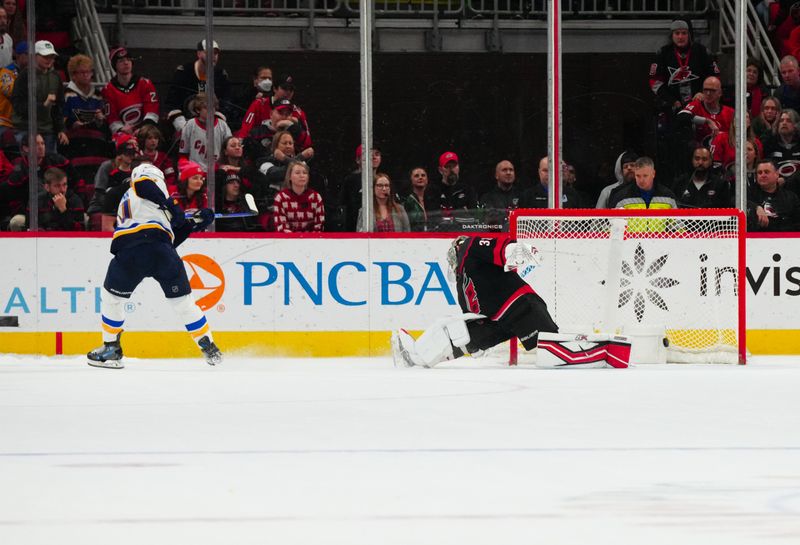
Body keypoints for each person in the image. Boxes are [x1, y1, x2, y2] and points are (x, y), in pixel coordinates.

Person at [391, 235, 630, 369]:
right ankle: (417, 356)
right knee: (460, 333)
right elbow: (470, 313)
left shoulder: (470, 246)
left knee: (553, 353)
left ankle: (604, 350)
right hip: (499, 320)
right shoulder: (465, 274)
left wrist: (517, 251)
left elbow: (499, 246)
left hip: (520, 307)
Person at [86, 163, 221, 369]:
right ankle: (209, 348)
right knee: (184, 303)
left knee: (112, 299)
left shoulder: (146, 196)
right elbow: (164, 238)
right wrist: (177, 210)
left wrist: (194, 223)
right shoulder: (148, 190)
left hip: (132, 251)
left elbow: (169, 236)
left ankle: (111, 348)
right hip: (161, 253)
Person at [62, 53, 110, 208]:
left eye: (88, 72)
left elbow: (104, 123)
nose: (86, 75)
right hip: (75, 144)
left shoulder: (97, 95)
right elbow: (62, 117)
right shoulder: (66, 94)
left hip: (95, 143)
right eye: (82, 72)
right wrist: (72, 123)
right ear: (73, 75)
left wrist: (100, 119)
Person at [3, 133, 69, 231]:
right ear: (26, 148)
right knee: (17, 221)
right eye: (36, 144)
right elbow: (14, 203)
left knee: (84, 218)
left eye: (42, 143)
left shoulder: (57, 160)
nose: (41, 147)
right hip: (31, 214)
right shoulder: (19, 173)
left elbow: (76, 183)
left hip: (61, 208)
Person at [165, 39, 231, 133]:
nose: (213, 56)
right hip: (184, 123)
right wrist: (183, 126)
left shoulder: (221, 75)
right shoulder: (183, 72)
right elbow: (172, 101)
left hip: (211, 125)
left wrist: (216, 121)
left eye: (215, 53)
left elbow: (226, 102)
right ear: (199, 53)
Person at [11, 40, 67, 153]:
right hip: (25, 129)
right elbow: (18, 105)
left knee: (49, 165)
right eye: (45, 56)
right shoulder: (24, 76)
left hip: (48, 130)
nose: (49, 59)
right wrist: (43, 106)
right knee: (27, 164)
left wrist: (60, 129)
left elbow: (58, 107)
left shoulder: (56, 77)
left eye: (51, 56)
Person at [102, 47, 160, 137]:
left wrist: (143, 128)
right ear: (114, 65)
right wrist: (122, 129)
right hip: (123, 132)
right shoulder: (108, 89)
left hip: (146, 130)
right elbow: (111, 117)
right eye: (121, 61)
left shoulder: (145, 84)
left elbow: (152, 110)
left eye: (128, 59)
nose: (126, 63)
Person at [88, 134, 138, 231]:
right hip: (102, 206)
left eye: (133, 153)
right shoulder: (107, 167)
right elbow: (100, 193)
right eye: (127, 153)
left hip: (125, 206)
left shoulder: (135, 169)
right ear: (120, 153)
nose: (131, 156)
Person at [677, 76, 735, 149]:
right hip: (700, 154)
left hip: (723, 154)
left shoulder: (730, 112)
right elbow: (681, 116)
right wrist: (707, 121)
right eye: (705, 90)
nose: (708, 93)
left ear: (720, 93)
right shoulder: (697, 105)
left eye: (712, 90)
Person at [178, 92, 232, 170]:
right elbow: (183, 153)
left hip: (218, 170)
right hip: (196, 171)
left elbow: (229, 150)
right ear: (197, 110)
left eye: (213, 107)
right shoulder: (190, 125)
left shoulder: (222, 125)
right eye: (207, 108)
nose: (211, 111)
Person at [429, 151, 479, 231]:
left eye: (454, 166)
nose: (451, 170)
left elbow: (473, 217)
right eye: (447, 166)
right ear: (440, 170)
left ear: (458, 167)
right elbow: (433, 219)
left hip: (464, 233)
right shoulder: (433, 190)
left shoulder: (467, 189)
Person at [747, 158, 800, 232]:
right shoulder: (748, 194)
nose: (763, 175)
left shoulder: (791, 197)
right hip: (756, 239)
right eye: (760, 172)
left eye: (766, 172)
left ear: (777, 174)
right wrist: (756, 207)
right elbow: (734, 202)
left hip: (786, 239)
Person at [607, 156, 678, 210]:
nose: (641, 180)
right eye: (638, 176)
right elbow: (613, 226)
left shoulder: (668, 196)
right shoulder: (621, 197)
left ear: (653, 174)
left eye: (645, 176)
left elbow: (678, 226)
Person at [272, 160, 324, 232]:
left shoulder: (316, 197)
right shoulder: (281, 198)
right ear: (289, 177)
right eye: (297, 173)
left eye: (305, 173)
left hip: (311, 241)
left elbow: (319, 225)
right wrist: (295, 241)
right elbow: (281, 225)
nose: (302, 176)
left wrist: (309, 240)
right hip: (288, 241)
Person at [340, 145, 381, 232]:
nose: (374, 157)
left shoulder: (383, 181)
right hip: (355, 232)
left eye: (377, 154)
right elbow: (344, 208)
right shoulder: (350, 180)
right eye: (368, 154)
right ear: (358, 160)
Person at [478, 160, 524, 230]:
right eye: (504, 170)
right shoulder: (487, 197)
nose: (508, 173)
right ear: (496, 175)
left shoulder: (522, 196)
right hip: (495, 236)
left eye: (511, 170)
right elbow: (487, 221)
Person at [34, 167, 85, 231]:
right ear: (47, 187)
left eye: (64, 185)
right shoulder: (37, 201)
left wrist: (63, 210)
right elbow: (30, 228)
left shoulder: (75, 200)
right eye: (57, 186)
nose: (62, 190)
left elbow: (80, 232)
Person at [762, 108, 800, 179]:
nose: (784, 123)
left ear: (796, 125)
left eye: (789, 121)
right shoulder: (769, 143)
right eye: (781, 121)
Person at [138, 125, 176, 194]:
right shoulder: (137, 155)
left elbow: (170, 176)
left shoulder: (163, 157)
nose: (153, 141)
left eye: (156, 138)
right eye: (150, 138)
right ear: (143, 140)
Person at [402, 166, 437, 232]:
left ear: (427, 180)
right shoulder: (407, 201)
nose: (420, 177)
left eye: (423, 175)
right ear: (411, 180)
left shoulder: (433, 199)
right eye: (416, 176)